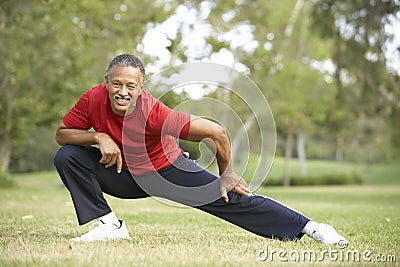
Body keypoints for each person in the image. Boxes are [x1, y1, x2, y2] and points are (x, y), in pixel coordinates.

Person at [53, 54, 348, 245]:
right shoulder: (92, 99)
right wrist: (99, 137)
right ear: (106, 83)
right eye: (116, 84)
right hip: (123, 175)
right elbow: (62, 135)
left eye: (131, 85)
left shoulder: (154, 113)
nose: (123, 91)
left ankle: (313, 228)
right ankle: (110, 227)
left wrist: (227, 173)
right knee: (68, 156)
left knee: (231, 198)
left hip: (166, 171)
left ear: (141, 87)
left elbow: (216, 132)